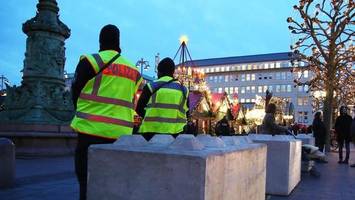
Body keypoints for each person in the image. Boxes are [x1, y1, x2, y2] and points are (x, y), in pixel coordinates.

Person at [70, 24, 142, 200]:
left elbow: (75, 92)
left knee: (87, 182)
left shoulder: (90, 62)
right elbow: (133, 100)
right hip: (121, 136)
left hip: (90, 132)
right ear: (119, 42)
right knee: (115, 182)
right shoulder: (134, 71)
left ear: (100, 41)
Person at [136, 57, 189, 141]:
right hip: (175, 134)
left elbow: (139, 109)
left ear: (159, 72)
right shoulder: (183, 90)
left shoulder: (150, 87)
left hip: (150, 133)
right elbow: (187, 112)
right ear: (173, 72)